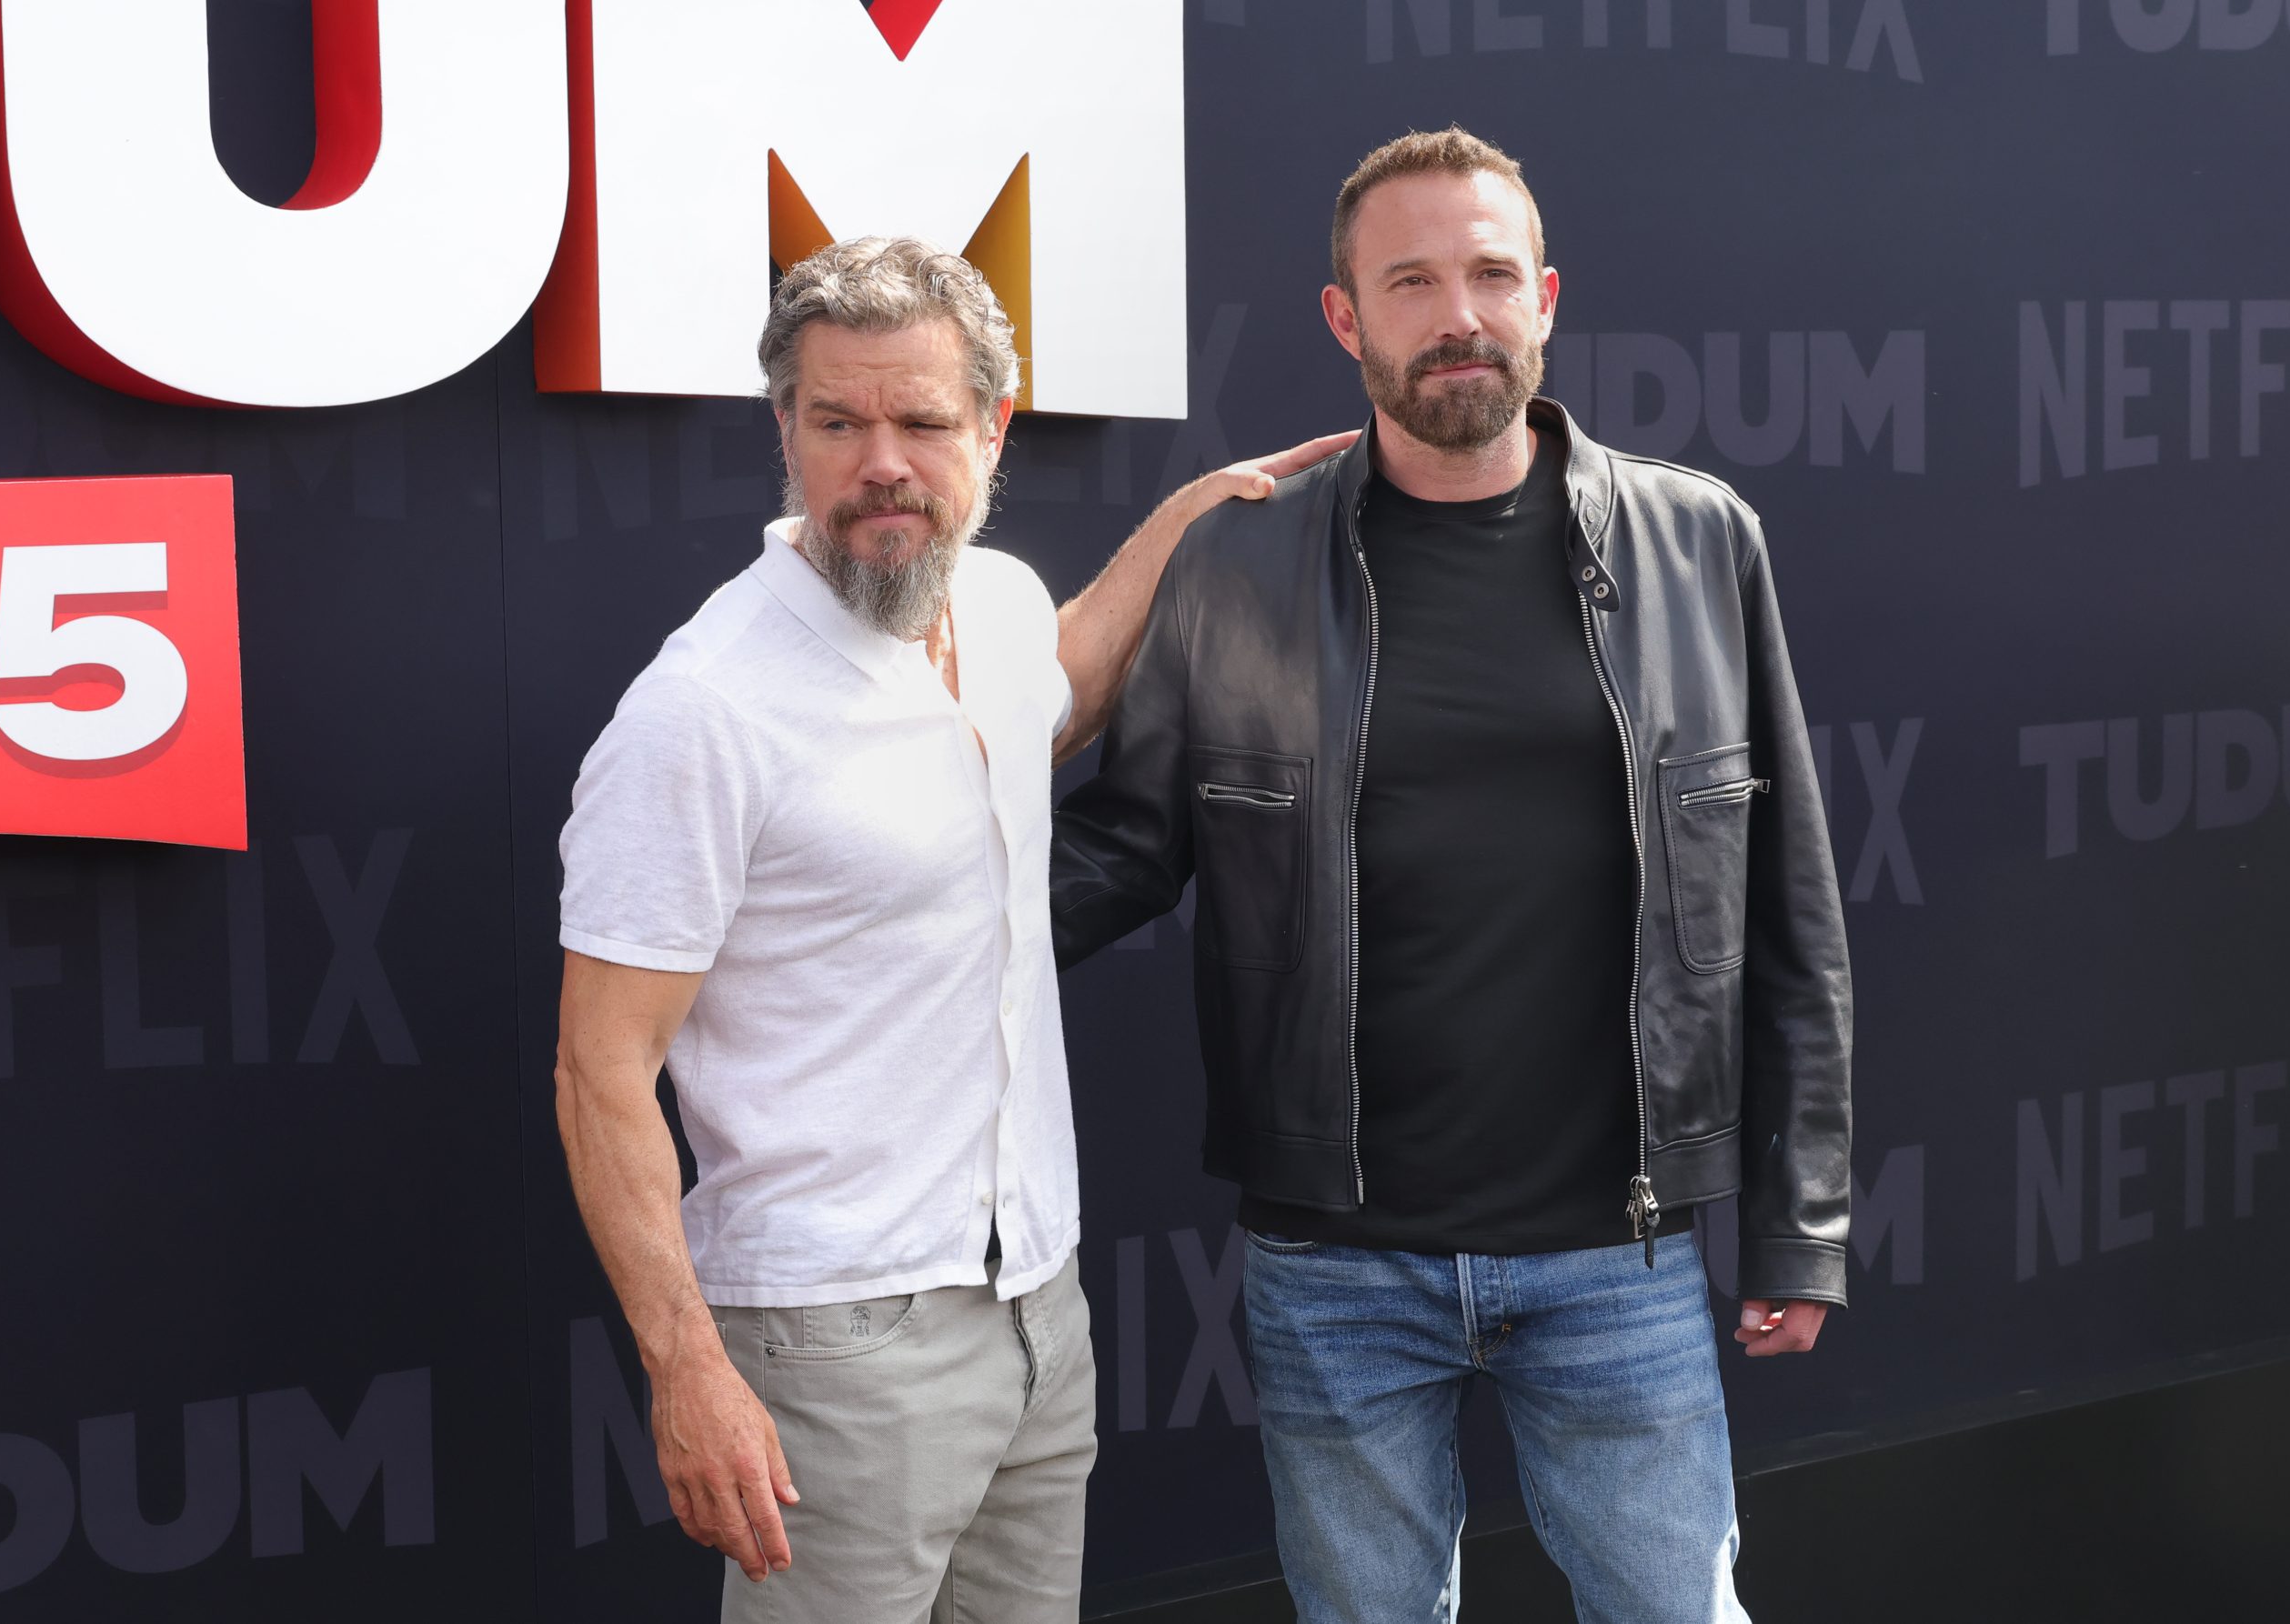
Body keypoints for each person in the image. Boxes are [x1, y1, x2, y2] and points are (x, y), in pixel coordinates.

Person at [1050, 129, 1853, 1622]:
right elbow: (1123, 845)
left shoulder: (1698, 542)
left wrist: (1799, 1219)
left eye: (1490, 274)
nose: (1458, 315)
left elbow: (1789, 902)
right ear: (1345, 317)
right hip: (1336, 1262)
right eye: (1410, 281)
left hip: (1615, 1252)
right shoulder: (1241, 564)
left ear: (1544, 296)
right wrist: (895, 926)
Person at [552, 235, 1349, 1623]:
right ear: (785, 432)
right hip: (833, 1341)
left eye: (922, 422)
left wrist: (1190, 516)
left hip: (1038, 1306)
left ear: (992, 427)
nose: (882, 466)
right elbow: (599, 1069)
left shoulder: (995, 601)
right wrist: (686, 1366)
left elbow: (1065, 681)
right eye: (837, 423)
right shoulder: (703, 711)